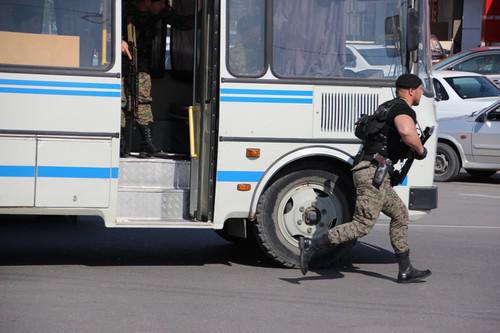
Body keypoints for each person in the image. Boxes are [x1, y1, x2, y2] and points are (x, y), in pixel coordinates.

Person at [299, 74, 432, 284]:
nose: (422, 93)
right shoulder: (402, 109)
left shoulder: (386, 107)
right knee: (363, 224)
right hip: (372, 173)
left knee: (399, 214)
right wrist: (420, 149)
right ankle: (312, 244)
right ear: (412, 91)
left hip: (375, 172)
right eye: (421, 89)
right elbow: (407, 132)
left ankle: (405, 269)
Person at [121, 0, 170, 158]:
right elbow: (101, 27)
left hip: (140, 64)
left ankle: (146, 143)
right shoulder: (122, 11)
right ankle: (121, 144)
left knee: (143, 101)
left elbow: (181, 22)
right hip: (119, 65)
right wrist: (118, 41)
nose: (164, 6)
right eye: (161, 2)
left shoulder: (155, 14)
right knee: (120, 103)